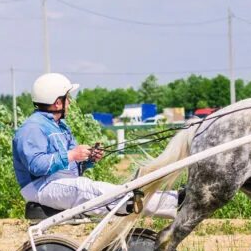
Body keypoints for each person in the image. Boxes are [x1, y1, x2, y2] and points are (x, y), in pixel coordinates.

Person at [12, 73, 178, 218]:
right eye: (67, 98)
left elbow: (71, 166)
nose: (69, 102)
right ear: (57, 103)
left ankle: (173, 199)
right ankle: (174, 202)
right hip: (39, 187)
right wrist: (72, 155)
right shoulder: (32, 128)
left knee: (90, 189)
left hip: (59, 183)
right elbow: (36, 166)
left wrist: (88, 159)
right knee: (87, 189)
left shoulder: (61, 127)